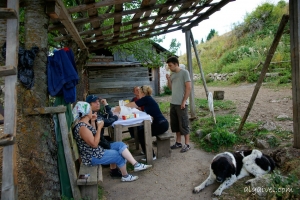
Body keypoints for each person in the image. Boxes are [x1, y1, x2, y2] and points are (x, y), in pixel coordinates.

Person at [72, 101, 152, 182]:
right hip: (91, 157)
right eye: (89, 109)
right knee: (118, 155)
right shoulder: (82, 128)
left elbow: (93, 135)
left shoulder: (84, 123)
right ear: (85, 112)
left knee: (120, 145)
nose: (91, 111)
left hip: (95, 152)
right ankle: (125, 176)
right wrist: (99, 127)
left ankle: (135, 165)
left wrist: (93, 122)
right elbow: (95, 144)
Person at [115, 85, 169, 160]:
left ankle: (151, 155)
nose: (138, 94)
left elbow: (132, 104)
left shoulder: (146, 99)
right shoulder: (147, 99)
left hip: (161, 124)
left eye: (139, 92)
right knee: (141, 132)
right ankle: (147, 151)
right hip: (162, 123)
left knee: (142, 133)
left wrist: (120, 107)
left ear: (143, 93)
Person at [166, 56, 192, 153]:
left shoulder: (185, 73)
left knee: (184, 124)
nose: (169, 67)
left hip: (182, 103)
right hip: (173, 103)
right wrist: (168, 79)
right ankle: (178, 142)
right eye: (168, 66)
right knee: (175, 124)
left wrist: (184, 101)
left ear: (176, 64)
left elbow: (188, 87)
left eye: (170, 65)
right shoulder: (172, 75)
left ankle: (187, 144)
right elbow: (171, 88)